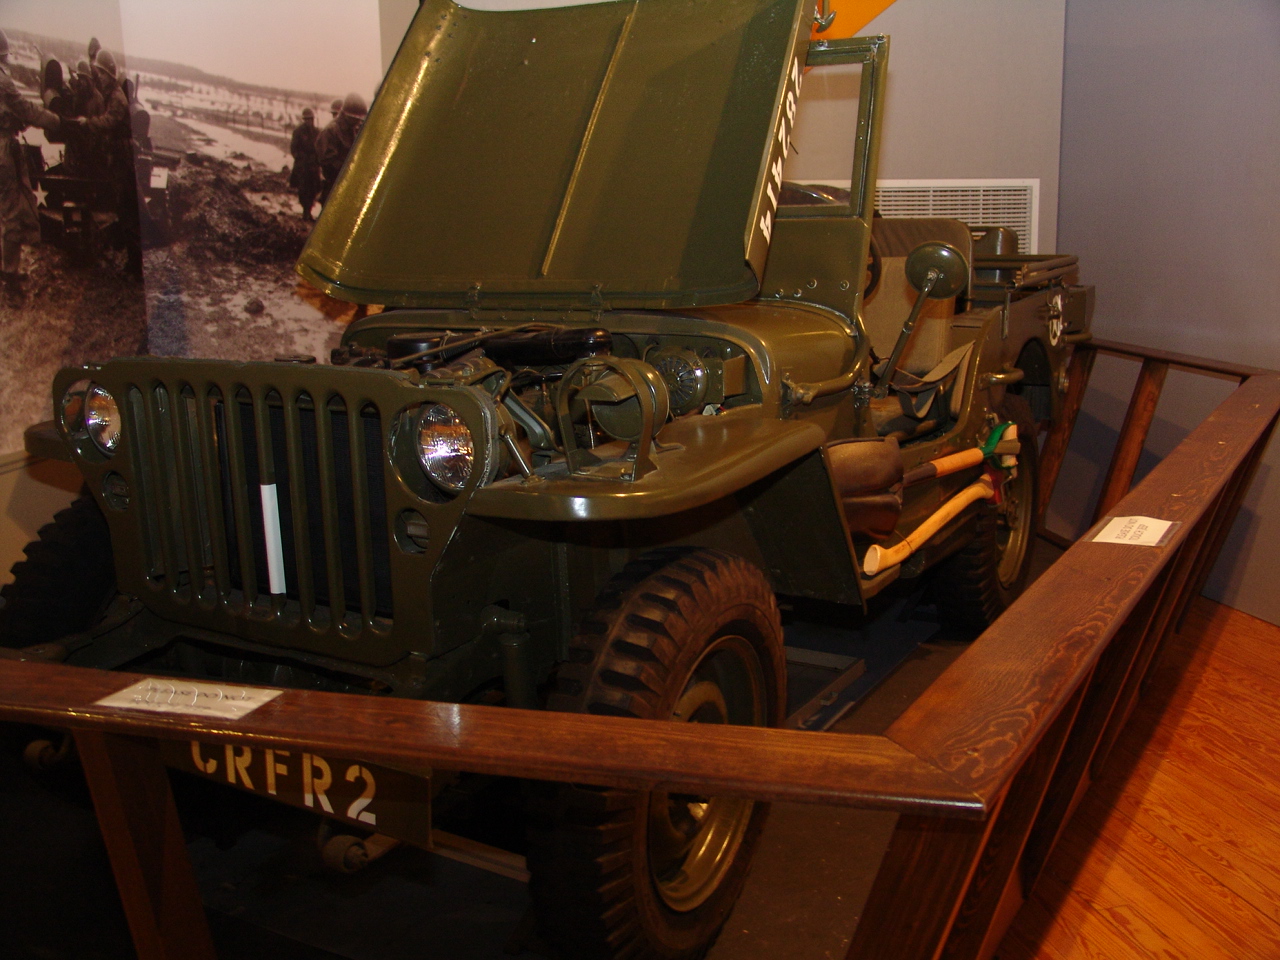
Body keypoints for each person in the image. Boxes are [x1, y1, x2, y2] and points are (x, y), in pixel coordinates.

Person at [0, 28, 60, 303]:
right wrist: (53, 120)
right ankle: (10, 281)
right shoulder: (3, 81)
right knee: (12, 214)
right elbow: (25, 108)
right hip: (2, 150)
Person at [78, 49, 141, 276]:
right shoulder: (111, 94)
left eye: (102, 74)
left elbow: (110, 122)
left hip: (123, 159)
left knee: (127, 211)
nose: (99, 78)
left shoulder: (116, 98)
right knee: (124, 210)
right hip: (119, 157)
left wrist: (89, 123)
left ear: (109, 75)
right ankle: (132, 262)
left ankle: (135, 265)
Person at [317, 92, 366, 206]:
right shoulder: (331, 131)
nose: (359, 122)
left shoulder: (351, 130)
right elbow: (328, 162)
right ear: (347, 116)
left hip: (348, 187)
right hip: (334, 188)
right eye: (356, 119)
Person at [289, 106, 320, 220]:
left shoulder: (317, 132)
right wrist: (301, 159)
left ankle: (309, 210)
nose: (309, 121)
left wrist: (317, 160)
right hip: (303, 166)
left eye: (310, 119)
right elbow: (294, 149)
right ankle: (305, 211)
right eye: (306, 119)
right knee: (303, 189)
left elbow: (320, 148)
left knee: (313, 189)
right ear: (303, 120)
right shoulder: (298, 132)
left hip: (313, 166)